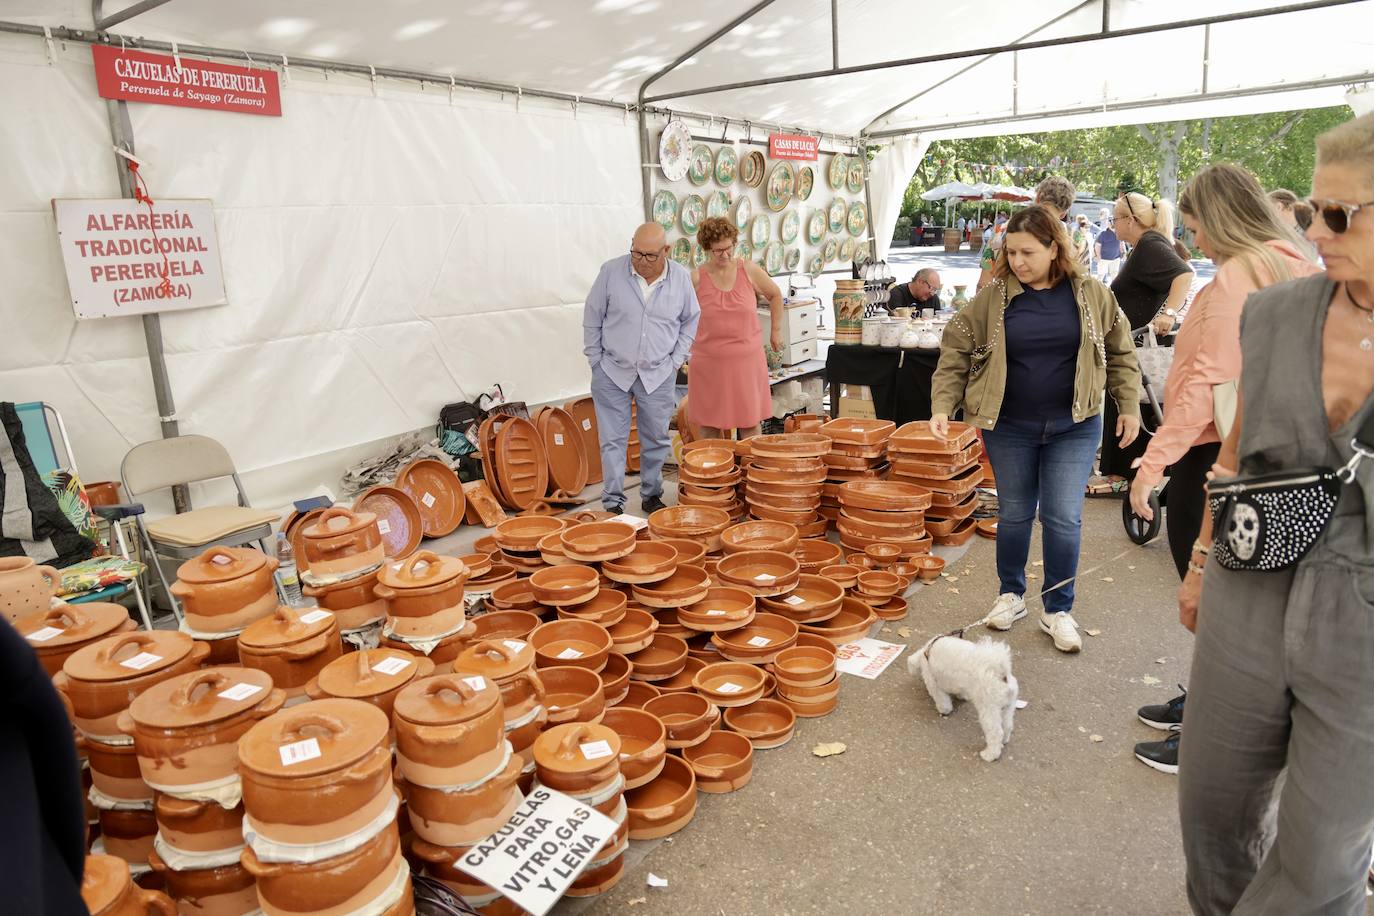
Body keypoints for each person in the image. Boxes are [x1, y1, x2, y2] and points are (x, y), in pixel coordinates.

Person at [1177, 111, 1374, 915]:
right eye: (1312, 209)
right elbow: (1234, 455)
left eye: (1339, 214)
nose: (1312, 230)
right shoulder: (1279, 311)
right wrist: (1198, 563)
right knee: (1212, 814)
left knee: (1324, 858)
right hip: (1249, 583)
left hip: (1362, 625)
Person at [1124, 163, 1319, 775]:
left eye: (1195, 227)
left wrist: (1151, 466)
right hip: (1288, 458)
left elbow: (1207, 386)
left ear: (1220, 218)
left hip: (1225, 456)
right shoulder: (1296, 261)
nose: (1195, 242)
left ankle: (1217, 731)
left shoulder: (1241, 275)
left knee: (1213, 597)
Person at [930, 206, 1141, 654]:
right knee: (1015, 514)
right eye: (1012, 252)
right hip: (1009, 426)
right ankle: (1011, 595)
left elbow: (1121, 352)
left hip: (1075, 425)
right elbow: (955, 350)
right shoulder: (993, 298)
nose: (1019, 261)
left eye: (1028, 252)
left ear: (1054, 248)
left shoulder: (1090, 295)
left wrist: (1128, 405)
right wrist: (941, 406)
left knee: (1063, 517)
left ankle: (1058, 608)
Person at [583, 222, 700, 514]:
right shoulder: (611, 272)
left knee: (656, 439)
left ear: (666, 251)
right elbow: (592, 316)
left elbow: (690, 320)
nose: (641, 261)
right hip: (611, 371)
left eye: (650, 256)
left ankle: (651, 493)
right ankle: (612, 502)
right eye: (636, 253)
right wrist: (595, 360)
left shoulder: (681, 279)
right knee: (612, 440)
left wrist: (675, 361)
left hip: (659, 373)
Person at [1091, 191, 1194, 490]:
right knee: (1129, 402)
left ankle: (1127, 474)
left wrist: (1169, 314)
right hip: (1132, 342)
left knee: (1132, 402)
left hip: (1139, 344)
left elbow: (1183, 275)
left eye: (1115, 219)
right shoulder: (1147, 244)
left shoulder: (1149, 243)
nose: (1113, 225)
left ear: (1130, 220)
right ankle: (1124, 472)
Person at [688, 216, 783, 441]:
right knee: (710, 427)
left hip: (746, 362)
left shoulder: (748, 269)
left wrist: (775, 331)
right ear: (706, 249)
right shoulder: (695, 278)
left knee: (750, 423)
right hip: (708, 364)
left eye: (729, 248)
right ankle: (715, 472)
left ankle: (751, 472)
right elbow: (677, 316)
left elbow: (775, 295)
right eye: (718, 250)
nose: (725, 254)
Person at [977, 177, 1075, 292]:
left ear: (1037, 199)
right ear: (1064, 213)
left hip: (1008, 305)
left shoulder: (1002, 230)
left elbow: (984, 282)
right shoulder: (1075, 239)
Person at [1095, 212, 1123, 284]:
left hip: (1116, 258)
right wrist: (1098, 256)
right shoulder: (1103, 233)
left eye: (1113, 222)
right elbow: (1097, 246)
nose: (1112, 224)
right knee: (1100, 276)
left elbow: (1121, 243)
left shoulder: (1119, 232)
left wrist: (1123, 253)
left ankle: (1114, 291)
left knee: (1114, 276)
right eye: (1110, 222)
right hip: (1103, 258)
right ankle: (1098, 291)